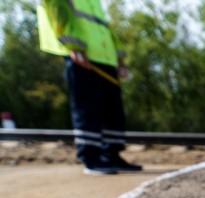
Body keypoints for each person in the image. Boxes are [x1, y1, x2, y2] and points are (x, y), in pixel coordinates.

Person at [38, 0, 141, 175]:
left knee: (113, 110)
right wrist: (73, 45)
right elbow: (58, 11)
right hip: (82, 55)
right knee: (88, 108)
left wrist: (119, 56)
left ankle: (111, 155)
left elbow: (103, 26)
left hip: (105, 57)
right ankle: (91, 158)